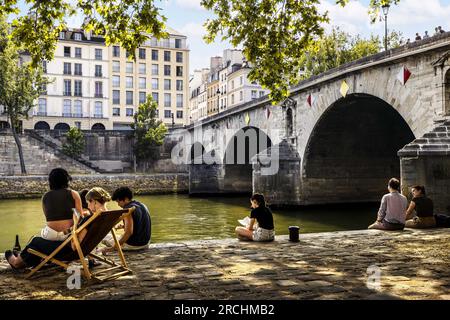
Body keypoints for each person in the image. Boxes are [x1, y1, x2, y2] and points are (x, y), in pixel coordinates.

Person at [101, 186, 151, 252]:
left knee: (104, 237)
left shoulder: (128, 209)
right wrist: (123, 226)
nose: (118, 205)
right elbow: (140, 224)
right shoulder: (142, 205)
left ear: (125, 199)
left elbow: (128, 233)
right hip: (146, 244)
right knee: (117, 237)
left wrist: (113, 248)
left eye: (118, 201)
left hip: (134, 246)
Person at [40, 168, 84, 241]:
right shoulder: (73, 194)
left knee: (43, 231)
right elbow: (80, 217)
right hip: (68, 234)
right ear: (66, 180)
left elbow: (47, 216)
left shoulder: (45, 196)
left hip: (50, 235)